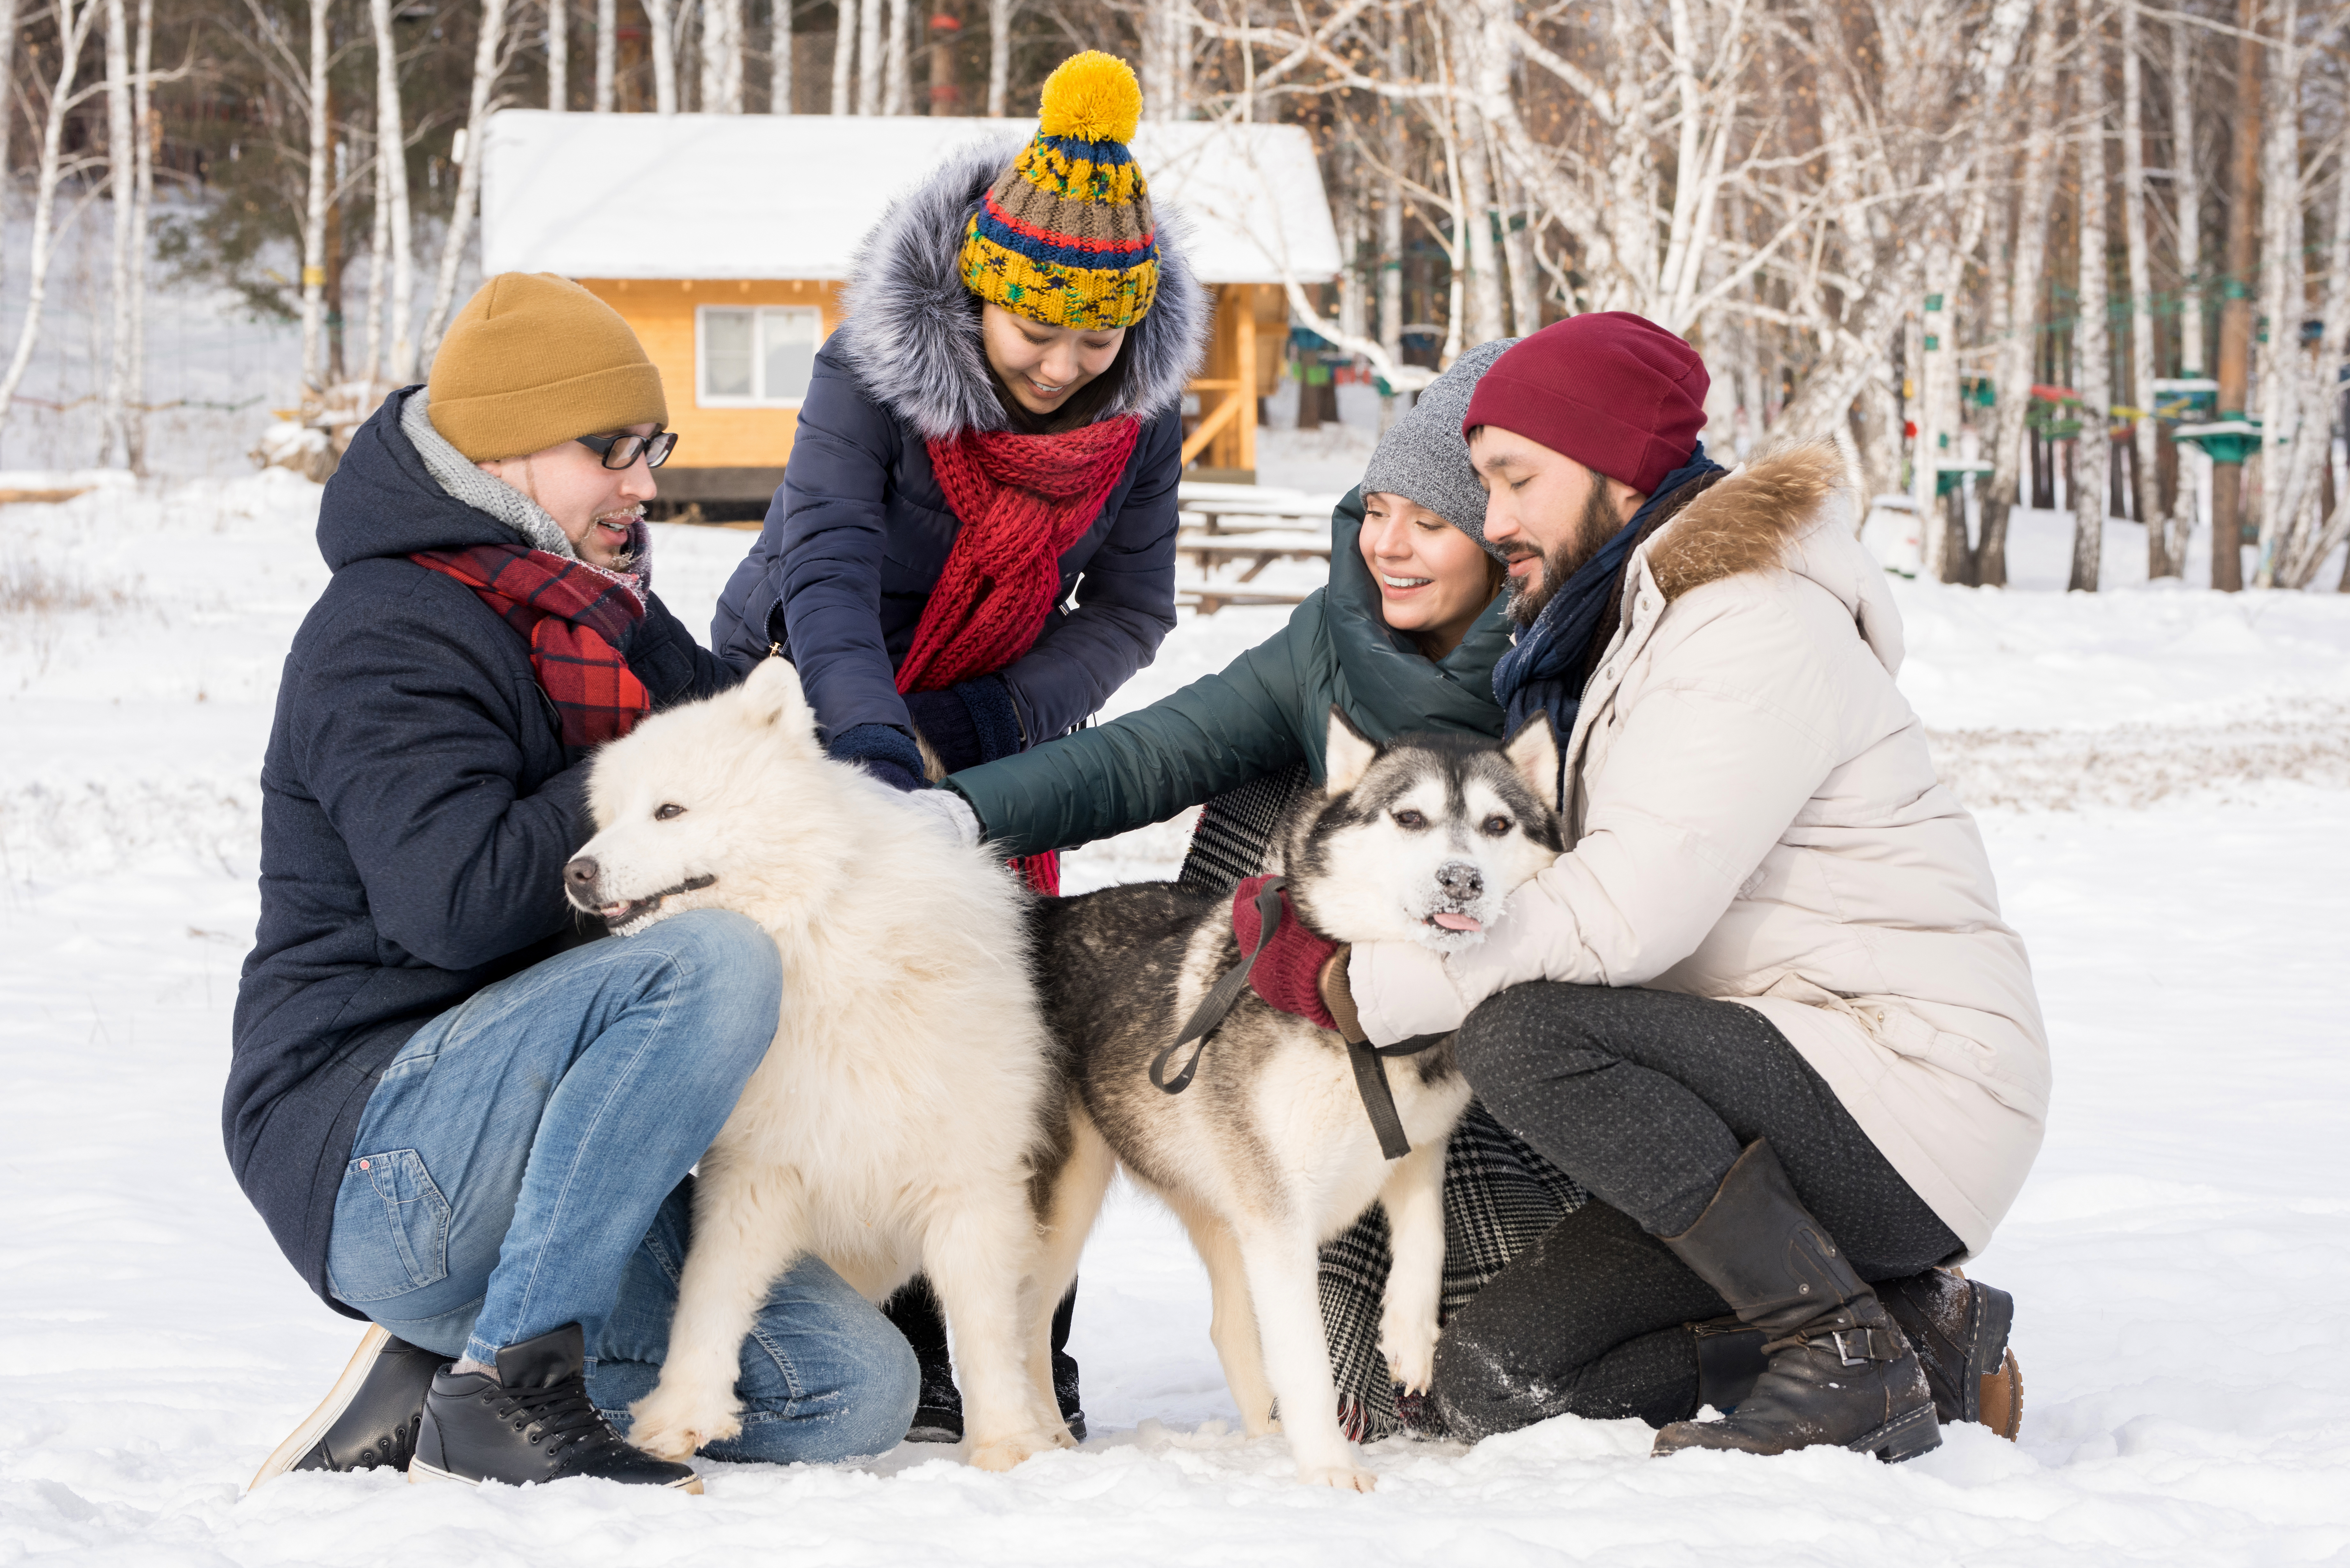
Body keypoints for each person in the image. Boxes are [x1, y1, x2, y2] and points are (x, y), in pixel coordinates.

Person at [1287, 313, 2046, 1459]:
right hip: (1764, 1082)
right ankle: (1916, 1338)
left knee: (1525, 1033)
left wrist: (1373, 988)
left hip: (1906, 1085)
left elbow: (1625, 914)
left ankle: (1836, 1347)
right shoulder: (1633, 628)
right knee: (1496, 1385)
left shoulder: (1748, 624)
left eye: (1513, 481)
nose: (1493, 522)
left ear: (1612, 467)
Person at [233, 273, 917, 1493]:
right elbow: (454, 904)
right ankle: (509, 1374)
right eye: (612, 450)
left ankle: (438, 1373)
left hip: (558, 1142)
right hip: (383, 1155)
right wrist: (648, 783)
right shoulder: (384, 631)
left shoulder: (598, 610)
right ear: (506, 449)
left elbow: (738, 761)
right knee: (714, 961)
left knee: (854, 1394)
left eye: (652, 447)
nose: (643, 483)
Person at [945, 342, 1595, 1439]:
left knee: (1479, 1392)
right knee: (1282, 802)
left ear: (1503, 533)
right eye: (1375, 509)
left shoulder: (1564, 672)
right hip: (1301, 1024)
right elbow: (1150, 754)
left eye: (1429, 523)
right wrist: (958, 811)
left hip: (1491, 1024)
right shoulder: (1332, 640)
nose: (1387, 545)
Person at [708, 49, 1207, 1443]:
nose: (1057, 368)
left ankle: (996, 1340)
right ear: (977, 290)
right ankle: (802, 1309)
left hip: (993, 732)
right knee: (820, 1011)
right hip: (805, 693)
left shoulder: (1134, 423)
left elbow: (1133, 607)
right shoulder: (870, 369)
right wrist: (877, 751)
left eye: (1092, 342)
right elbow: (823, 566)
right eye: (1029, 331)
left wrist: (984, 738)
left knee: (996, 1034)